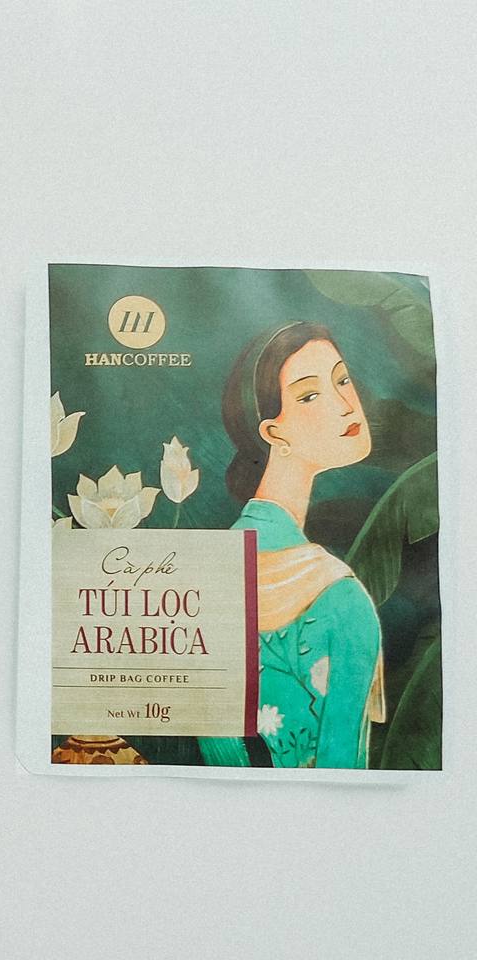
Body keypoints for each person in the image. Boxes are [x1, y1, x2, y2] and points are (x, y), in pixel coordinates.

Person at [199, 322, 385, 768]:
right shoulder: (340, 599)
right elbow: (342, 772)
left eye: (342, 380)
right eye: (309, 395)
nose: (346, 405)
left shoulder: (211, 570)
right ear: (273, 432)